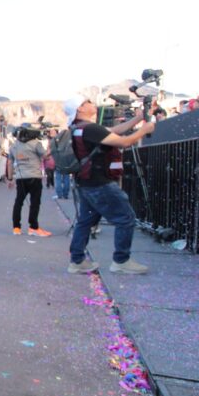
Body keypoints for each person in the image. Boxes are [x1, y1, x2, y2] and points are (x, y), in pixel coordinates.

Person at [65, 96, 156, 274]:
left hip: (86, 182)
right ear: (80, 109)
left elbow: (114, 131)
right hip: (100, 182)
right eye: (87, 101)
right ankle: (121, 261)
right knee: (125, 218)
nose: (92, 103)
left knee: (85, 222)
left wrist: (137, 118)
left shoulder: (78, 128)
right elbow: (123, 141)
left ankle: (77, 261)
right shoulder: (90, 128)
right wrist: (144, 129)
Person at [7, 126, 51, 236]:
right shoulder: (36, 144)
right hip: (34, 177)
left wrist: (10, 178)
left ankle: (16, 228)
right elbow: (45, 156)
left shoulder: (14, 146)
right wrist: (51, 148)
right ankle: (33, 228)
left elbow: (9, 163)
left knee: (19, 202)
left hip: (20, 178)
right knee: (34, 203)